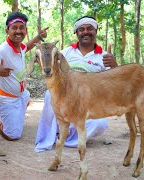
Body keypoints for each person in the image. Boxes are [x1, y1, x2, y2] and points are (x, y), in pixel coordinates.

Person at [35, 16, 118, 152]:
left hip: (89, 102)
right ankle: (46, 138)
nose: (85, 32)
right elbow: (52, 70)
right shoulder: (65, 52)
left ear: (95, 31)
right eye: (81, 29)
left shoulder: (104, 56)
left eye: (89, 28)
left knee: (101, 124)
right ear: (76, 33)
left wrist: (115, 65)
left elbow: (114, 82)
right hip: (65, 99)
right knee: (49, 95)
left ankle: (68, 140)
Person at [0, 12, 48, 141]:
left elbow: (28, 46)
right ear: (7, 30)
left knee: (26, 97)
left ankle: (15, 115)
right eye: (14, 28)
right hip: (4, 97)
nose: (18, 31)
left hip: (21, 95)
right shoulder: (1, 51)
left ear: (26, 30)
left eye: (21, 27)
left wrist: (39, 37)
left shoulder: (21, 47)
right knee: (13, 135)